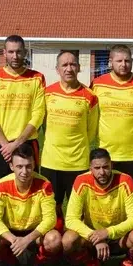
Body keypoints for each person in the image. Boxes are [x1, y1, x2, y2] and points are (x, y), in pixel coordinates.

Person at [63, 148, 133, 266]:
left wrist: (107, 232)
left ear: (111, 165)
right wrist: (95, 237)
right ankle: (90, 262)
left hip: (119, 238)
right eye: (97, 168)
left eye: (105, 167)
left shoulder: (125, 180)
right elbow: (70, 219)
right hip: (91, 238)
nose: (102, 172)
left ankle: (128, 263)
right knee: (68, 241)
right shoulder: (81, 181)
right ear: (90, 168)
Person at [0, 144, 61, 266]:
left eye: (28, 166)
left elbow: (50, 219)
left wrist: (26, 240)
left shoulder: (44, 184)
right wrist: (14, 240)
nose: (24, 171)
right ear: (11, 166)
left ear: (34, 164)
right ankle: (10, 261)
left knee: (54, 240)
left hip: (35, 233)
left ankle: (39, 263)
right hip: (10, 232)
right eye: (19, 167)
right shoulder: (1, 185)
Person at [41, 51, 98, 233]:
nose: (69, 68)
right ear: (57, 69)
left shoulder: (89, 96)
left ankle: (77, 248)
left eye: (73, 64)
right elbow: (42, 124)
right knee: (52, 206)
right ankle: (54, 245)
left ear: (79, 68)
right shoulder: (47, 93)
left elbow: (91, 131)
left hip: (78, 163)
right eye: (64, 65)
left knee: (78, 209)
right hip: (51, 162)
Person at [90, 45, 133, 201]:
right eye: (119, 61)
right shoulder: (97, 84)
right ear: (110, 62)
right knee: (106, 199)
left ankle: (132, 226)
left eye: (127, 61)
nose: (123, 64)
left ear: (132, 62)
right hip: (107, 154)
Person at [0, 34, 46, 183]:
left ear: (25, 53)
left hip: (27, 143)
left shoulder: (37, 78)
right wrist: (6, 146)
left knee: (29, 189)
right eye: (11, 52)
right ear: (4, 53)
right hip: (0, 146)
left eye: (19, 52)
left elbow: (38, 115)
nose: (15, 56)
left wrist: (16, 144)